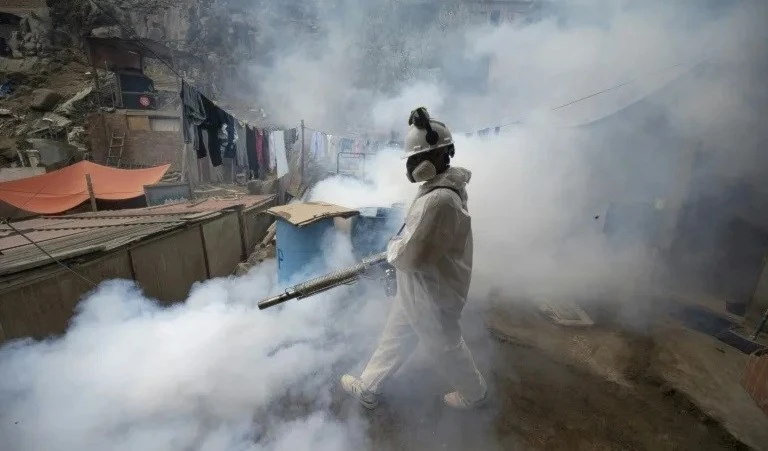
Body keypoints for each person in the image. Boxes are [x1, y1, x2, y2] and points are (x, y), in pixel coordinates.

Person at [340, 107, 487, 410]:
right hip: (421, 286)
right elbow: (417, 241)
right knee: (396, 335)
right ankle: (369, 387)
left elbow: (414, 254)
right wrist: (395, 254)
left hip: (431, 291)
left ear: (438, 156)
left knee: (446, 345)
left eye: (415, 158)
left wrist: (390, 255)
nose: (410, 165)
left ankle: (475, 394)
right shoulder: (438, 189)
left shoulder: (439, 199)